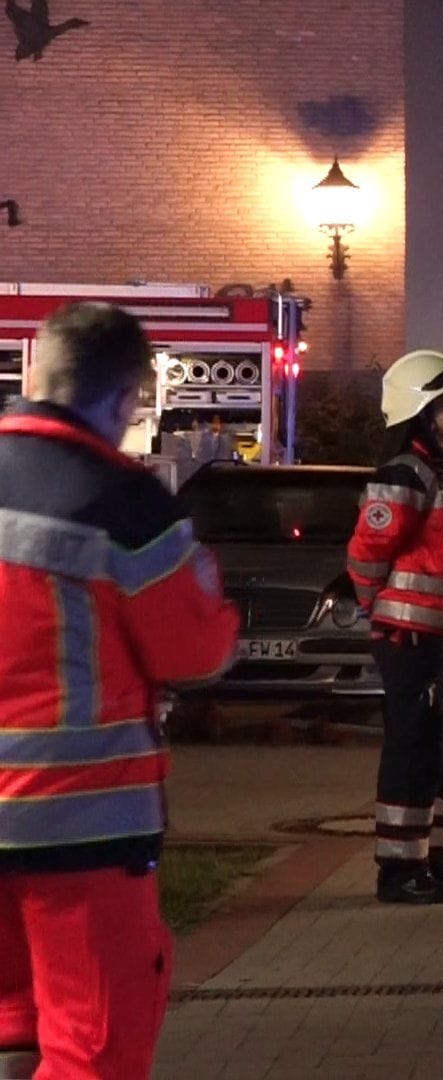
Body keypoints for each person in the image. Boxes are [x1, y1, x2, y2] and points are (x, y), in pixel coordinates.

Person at [0, 302, 239, 1077]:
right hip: (78, 824)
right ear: (127, 397)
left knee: (11, 1017)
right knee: (92, 1045)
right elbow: (196, 651)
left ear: (36, 371)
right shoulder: (123, 501)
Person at [348, 350, 443, 905]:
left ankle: (427, 858)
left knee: (441, 749)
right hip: (412, 641)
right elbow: (366, 553)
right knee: (412, 750)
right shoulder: (405, 475)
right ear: (421, 412)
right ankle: (397, 869)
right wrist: (378, 611)